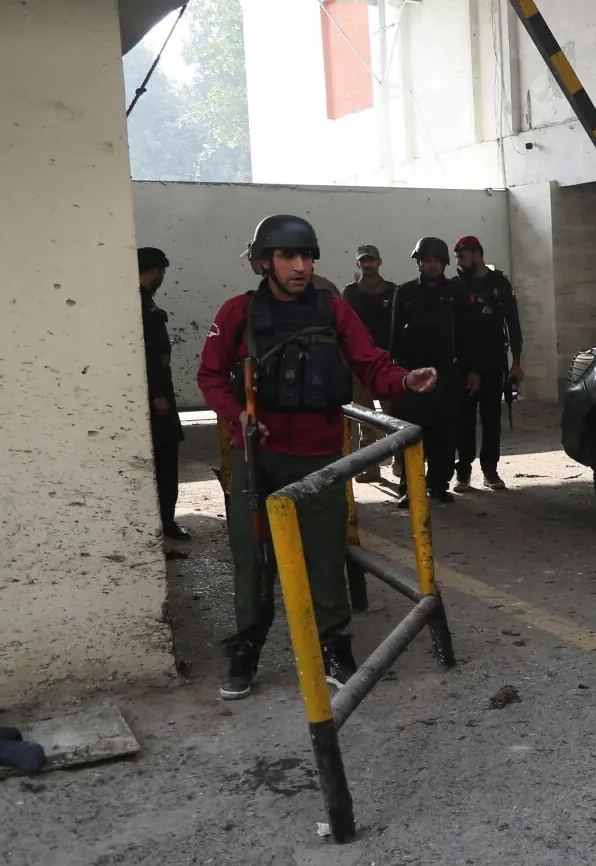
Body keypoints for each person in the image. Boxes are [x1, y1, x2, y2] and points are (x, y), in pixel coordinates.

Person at [198, 215, 437, 700]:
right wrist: (236, 416)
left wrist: (404, 380)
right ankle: (247, 646)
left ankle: (333, 645)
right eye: (288, 256)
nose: (300, 266)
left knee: (325, 556)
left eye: (306, 256)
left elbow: (371, 363)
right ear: (264, 261)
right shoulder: (237, 313)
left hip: (320, 458)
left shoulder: (334, 311)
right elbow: (209, 375)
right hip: (257, 457)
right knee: (253, 557)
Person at [388, 235, 466, 505]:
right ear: (419, 263)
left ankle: (438, 485)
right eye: (426, 261)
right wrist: (395, 374)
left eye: (436, 261)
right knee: (410, 434)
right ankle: (409, 487)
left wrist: (470, 370)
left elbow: (470, 334)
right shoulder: (405, 292)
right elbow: (394, 336)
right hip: (412, 374)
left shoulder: (456, 293)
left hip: (447, 374)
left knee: (444, 434)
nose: (431, 265)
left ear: (443, 263)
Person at [451, 235, 524, 491]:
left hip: (494, 361)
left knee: (492, 418)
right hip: (464, 363)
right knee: (464, 420)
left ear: (477, 254)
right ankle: (463, 472)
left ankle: (490, 471)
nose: (458, 262)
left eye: (462, 256)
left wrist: (517, 362)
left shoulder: (498, 283)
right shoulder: (456, 286)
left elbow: (513, 323)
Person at [138, 246, 189, 541]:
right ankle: (165, 522)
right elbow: (149, 355)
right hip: (157, 398)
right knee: (165, 460)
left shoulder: (141, 303)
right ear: (156, 271)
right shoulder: (142, 306)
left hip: (154, 395)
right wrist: (158, 394)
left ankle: (163, 520)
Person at [343, 245, 398, 483]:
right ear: (358, 264)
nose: (368, 264)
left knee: (393, 417)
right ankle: (371, 467)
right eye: (363, 261)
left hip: (386, 363)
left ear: (379, 261)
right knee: (365, 419)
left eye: (371, 260)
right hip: (360, 364)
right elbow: (344, 327)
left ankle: (401, 462)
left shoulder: (394, 291)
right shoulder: (350, 293)